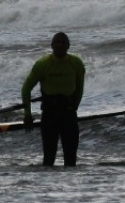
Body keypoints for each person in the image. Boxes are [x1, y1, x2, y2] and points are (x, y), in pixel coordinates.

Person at [21, 31, 86, 166]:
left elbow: (80, 88)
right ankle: (49, 186)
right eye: (57, 42)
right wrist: (28, 114)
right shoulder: (42, 64)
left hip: (69, 114)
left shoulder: (76, 63)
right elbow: (26, 88)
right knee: (49, 157)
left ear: (68, 46)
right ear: (52, 45)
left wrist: (75, 106)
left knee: (71, 158)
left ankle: (71, 186)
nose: (60, 45)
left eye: (63, 42)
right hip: (50, 114)